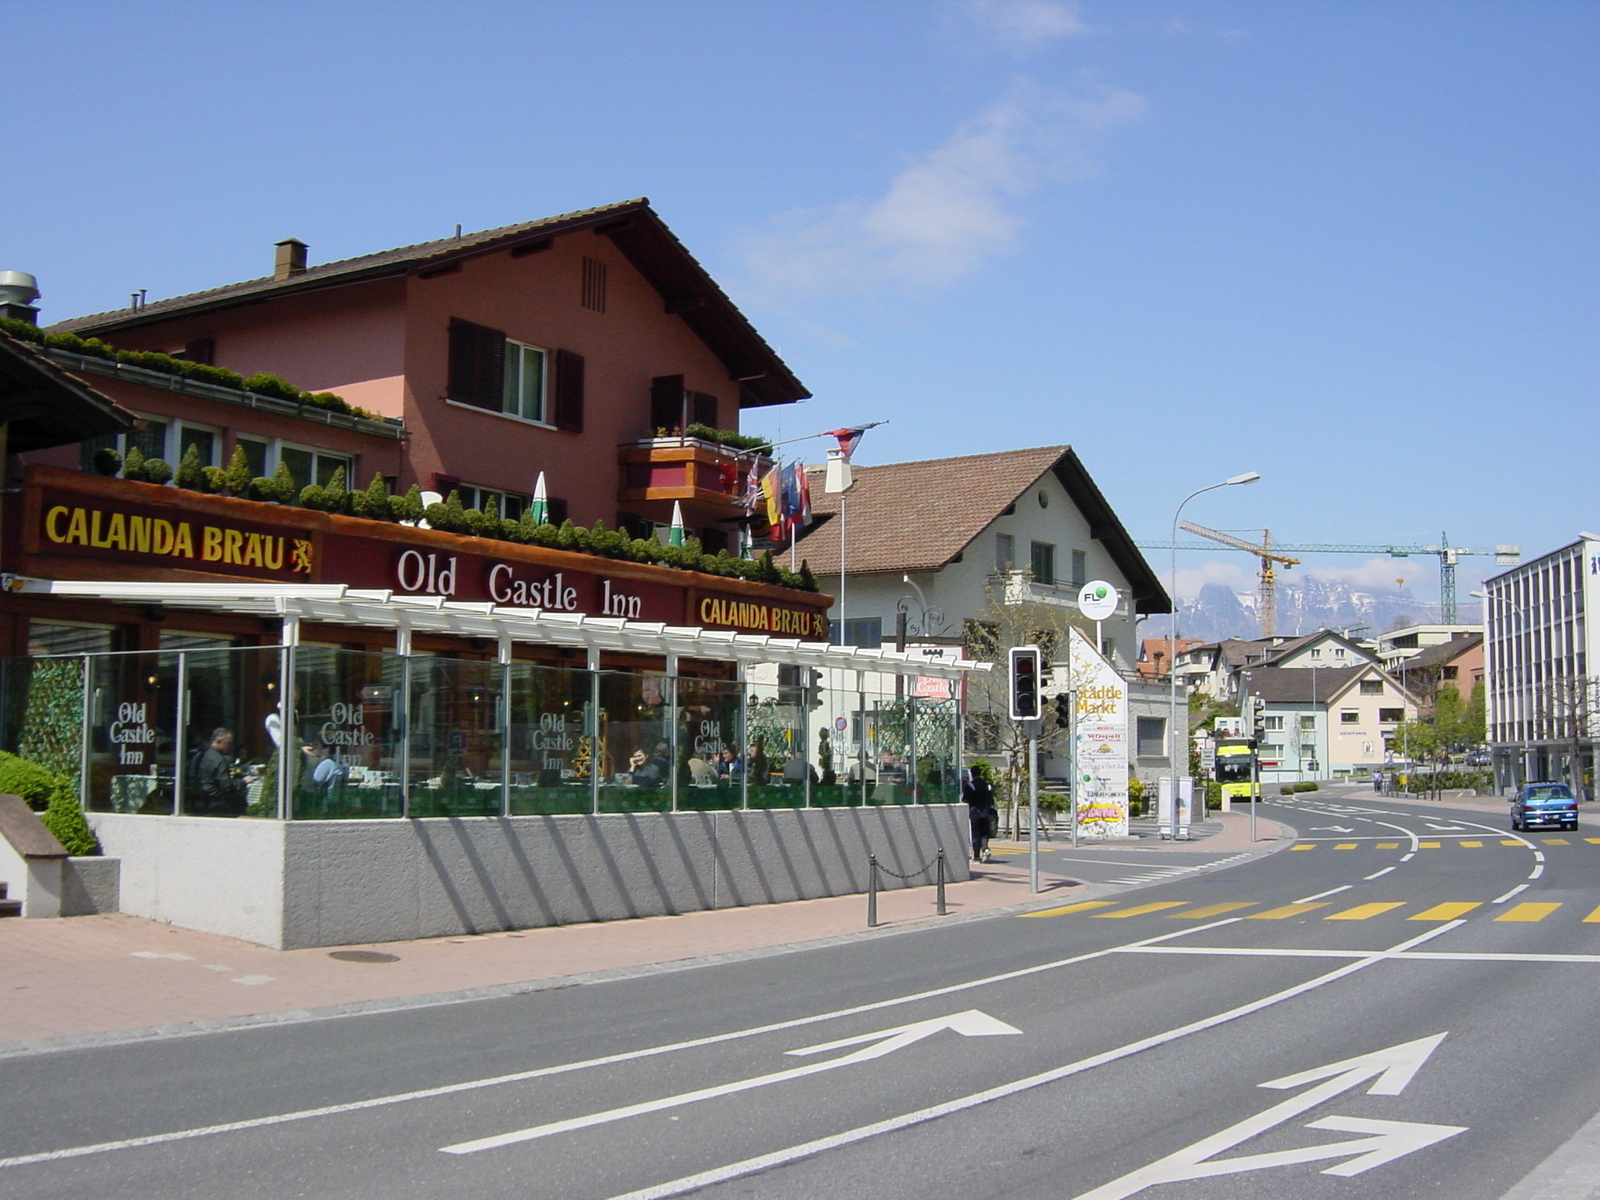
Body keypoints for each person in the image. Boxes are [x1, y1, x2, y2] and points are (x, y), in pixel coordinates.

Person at [194, 727, 253, 816]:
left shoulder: (203, 755)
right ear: (218, 741)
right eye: (228, 743)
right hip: (217, 801)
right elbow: (227, 787)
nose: (230, 746)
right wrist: (243, 781)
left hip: (201, 798)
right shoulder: (219, 759)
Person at [963, 765, 998, 863]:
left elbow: (966, 800)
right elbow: (991, 801)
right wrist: (990, 812)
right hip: (985, 812)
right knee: (984, 833)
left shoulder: (970, 786)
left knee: (975, 834)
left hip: (974, 812)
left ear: (972, 774)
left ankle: (976, 856)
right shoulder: (987, 785)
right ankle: (985, 849)